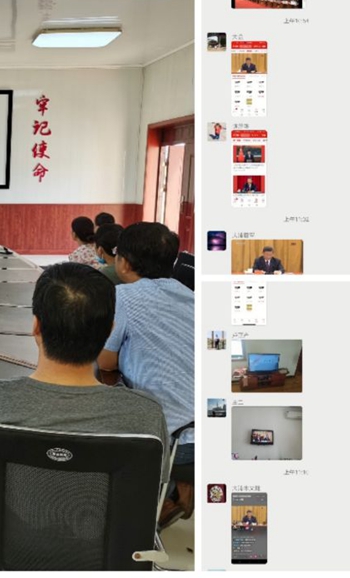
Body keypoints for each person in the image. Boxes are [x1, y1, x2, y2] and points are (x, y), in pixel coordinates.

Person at [0, 263, 170, 513]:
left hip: (1, 539)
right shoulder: (146, 413)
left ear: (36, 327)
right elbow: (144, 502)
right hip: (98, 538)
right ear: (109, 331)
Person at [97, 222, 194, 524]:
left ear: (123, 262)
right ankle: (179, 488)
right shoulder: (194, 297)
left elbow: (105, 362)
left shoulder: (123, 297)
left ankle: (158, 501)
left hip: (172, 444)